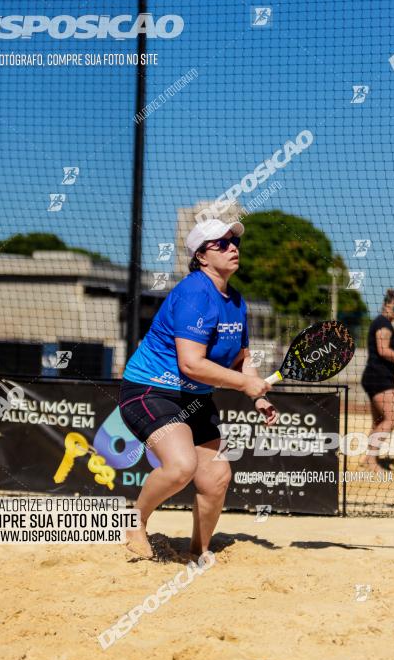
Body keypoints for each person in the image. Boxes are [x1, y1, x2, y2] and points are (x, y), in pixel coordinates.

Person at [118, 219, 279, 559]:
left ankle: (197, 551)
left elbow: (241, 359)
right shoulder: (194, 292)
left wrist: (258, 395)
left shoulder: (235, 300)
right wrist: (245, 383)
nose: (233, 247)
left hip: (195, 397)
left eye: (234, 242)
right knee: (180, 466)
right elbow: (191, 364)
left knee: (217, 476)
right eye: (221, 244)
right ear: (201, 257)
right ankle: (135, 520)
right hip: (151, 390)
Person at [361, 289, 394, 468]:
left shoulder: (383, 322)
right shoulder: (383, 324)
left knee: (378, 421)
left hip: (378, 376)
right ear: (386, 305)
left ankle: (367, 458)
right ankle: (371, 458)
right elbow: (383, 350)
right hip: (378, 377)